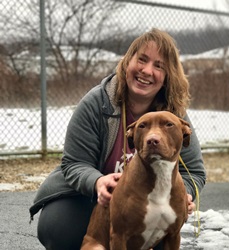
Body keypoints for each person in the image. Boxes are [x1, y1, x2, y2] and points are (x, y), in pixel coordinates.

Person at [29, 28, 206, 250]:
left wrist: (185, 194)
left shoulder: (174, 115)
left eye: (159, 66)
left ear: (167, 76)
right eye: (141, 60)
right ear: (127, 62)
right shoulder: (96, 103)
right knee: (59, 229)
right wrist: (97, 182)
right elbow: (74, 163)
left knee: (165, 226)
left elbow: (195, 172)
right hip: (90, 198)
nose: (147, 70)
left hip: (155, 201)